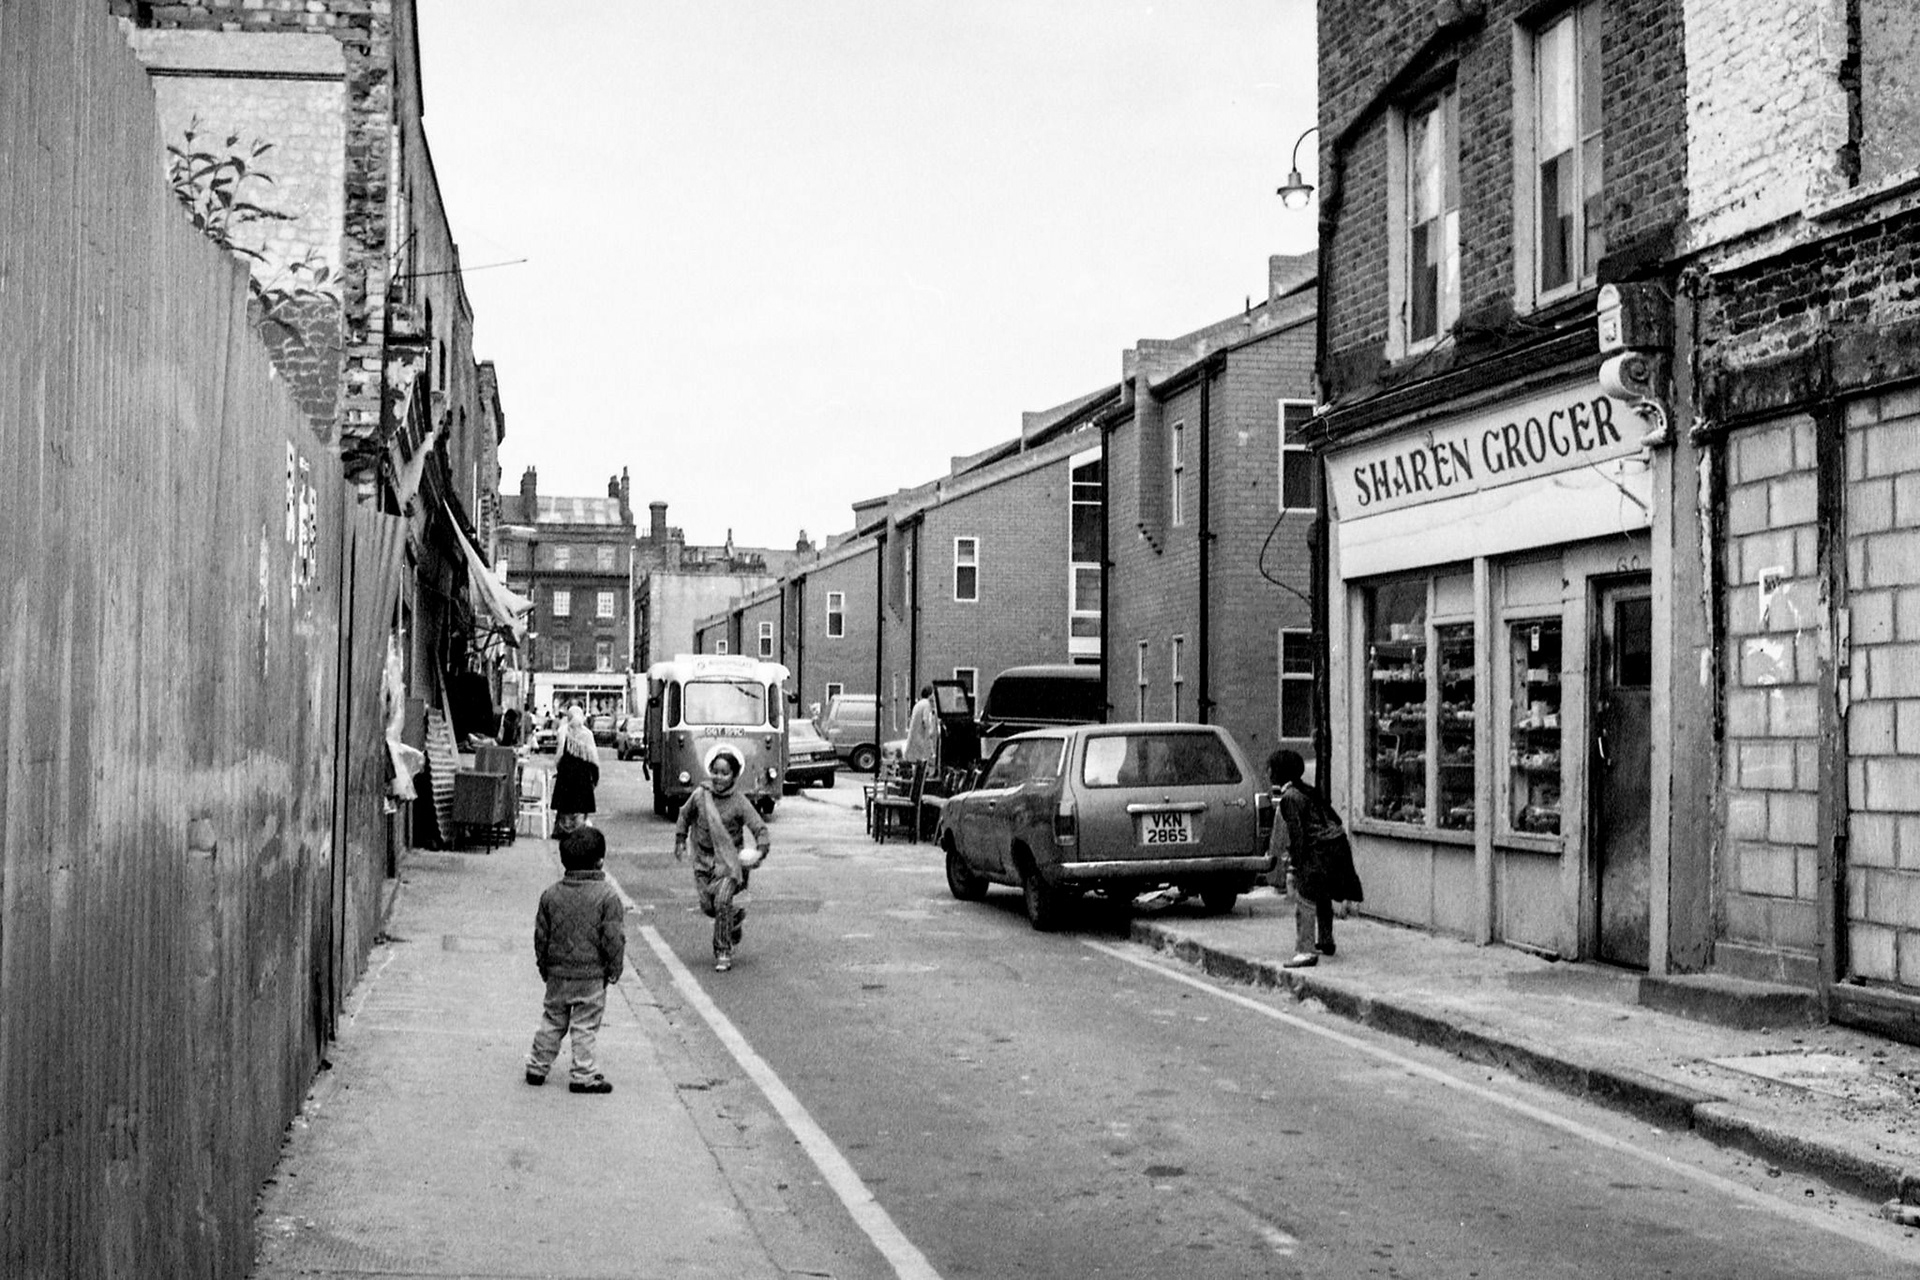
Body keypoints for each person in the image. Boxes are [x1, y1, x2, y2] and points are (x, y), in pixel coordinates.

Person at [525, 825, 625, 1093]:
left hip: (557, 972)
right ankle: (583, 1074)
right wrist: (615, 968)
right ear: (600, 860)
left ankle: (537, 1065)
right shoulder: (608, 897)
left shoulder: (550, 895)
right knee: (585, 1025)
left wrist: (543, 966)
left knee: (553, 1019)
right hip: (591, 975)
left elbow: (541, 937)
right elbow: (612, 937)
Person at [673, 746, 770, 972]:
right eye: (715, 772)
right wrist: (680, 839)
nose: (718, 777)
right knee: (708, 906)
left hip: (729, 864)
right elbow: (684, 816)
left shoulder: (739, 802)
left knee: (721, 901)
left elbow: (759, 828)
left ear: (734, 776)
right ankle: (733, 920)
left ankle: (723, 951)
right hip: (703, 861)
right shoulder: (700, 795)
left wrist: (760, 850)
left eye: (724, 773)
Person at [1269, 749, 1364, 968]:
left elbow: (1298, 835)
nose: (1268, 773)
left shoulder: (1289, 798)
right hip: (1338, 845)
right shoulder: (1309, 791)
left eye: (1271, 769)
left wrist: (1296, 866)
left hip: (1318, 849)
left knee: (1306, 895)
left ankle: (1305, 950)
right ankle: (1326, 939)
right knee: (1323, 893)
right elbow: (1334, 819)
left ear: (1279, 773)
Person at [550, 705, 599, 834]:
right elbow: (593, 758)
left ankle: (564, 829)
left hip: (566, 776)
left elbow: (559, 754)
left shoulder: (563, 731)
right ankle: (579, 830)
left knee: (565, 805)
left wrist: (558, 769)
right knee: (580, 806)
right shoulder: (587, 734)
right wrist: (595, 777)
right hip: (583, 776)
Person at [903, 684, 939, 773]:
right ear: (930, 694)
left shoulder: (918, 704)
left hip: (914, 737)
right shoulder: (926, 705)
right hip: (921, 738)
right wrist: (931, 732)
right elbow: (926, 721)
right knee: (923, 762)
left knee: (916, 763)